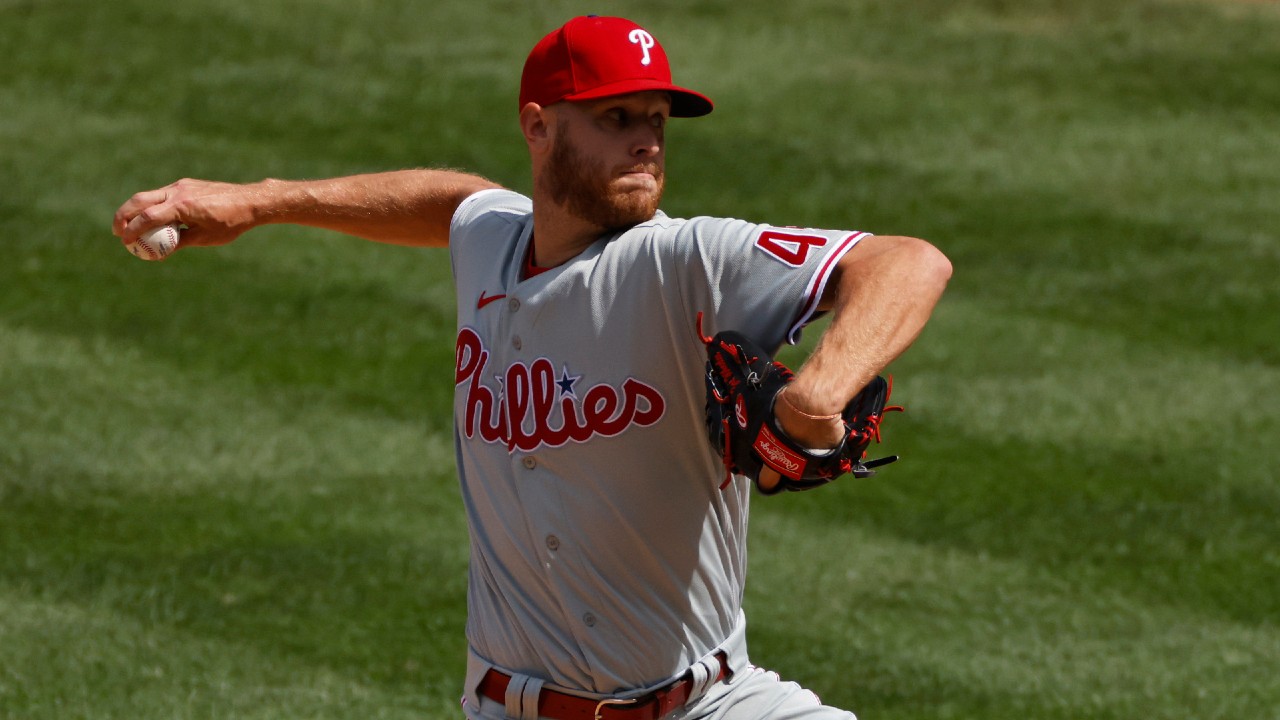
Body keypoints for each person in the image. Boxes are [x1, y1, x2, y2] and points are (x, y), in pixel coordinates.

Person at [113, 15, 951, 720]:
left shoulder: (687, 260)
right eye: (616, 118)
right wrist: (257, 204)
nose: (645, 144)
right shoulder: (494, 241)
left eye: (656, 119)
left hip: (707, 704)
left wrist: (816, 393)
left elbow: (909, 262)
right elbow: (451, 201)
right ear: (538, 126)